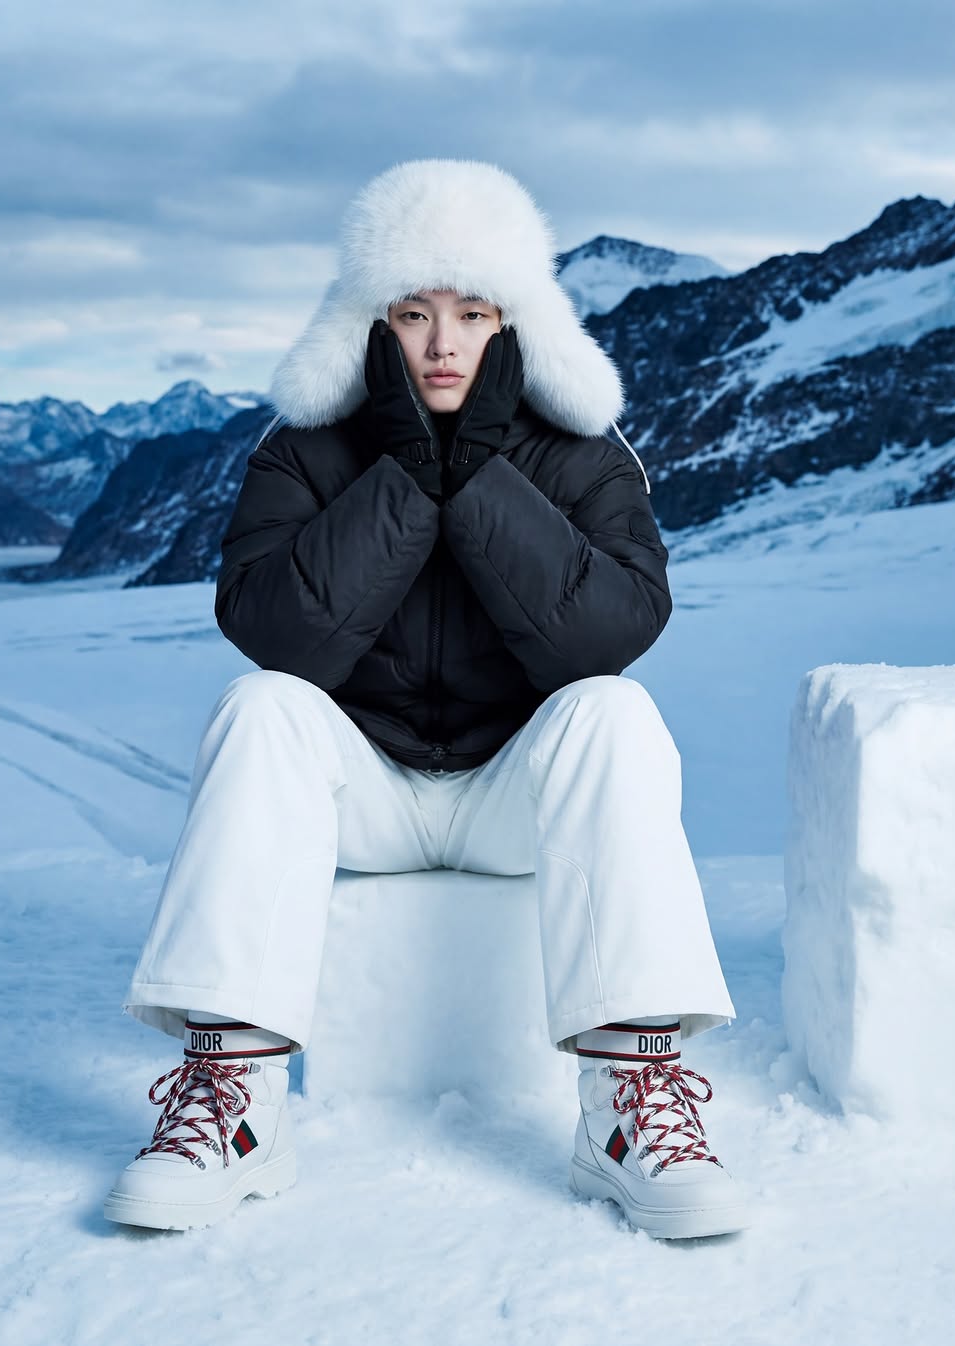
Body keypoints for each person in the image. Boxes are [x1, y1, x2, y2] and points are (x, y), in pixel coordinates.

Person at [103, 157, 751, 1240]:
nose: (443, 343)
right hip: (366, 792)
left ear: (515, 322)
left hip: (513, 801)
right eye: (413, 313)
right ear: (370, 324)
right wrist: (405, 476)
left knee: (614, 713)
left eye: (473, 312)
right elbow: (274, 630)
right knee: (260, 706)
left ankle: (629, 1106)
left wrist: (483, 478)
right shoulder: (305, 449)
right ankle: (235, 1104)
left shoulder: (582, 452)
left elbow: (611, 633)